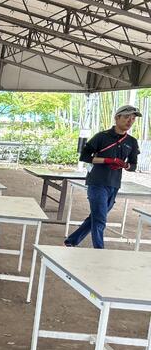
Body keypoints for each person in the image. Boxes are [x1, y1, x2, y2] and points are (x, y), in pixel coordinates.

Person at [65, 105, 141, 249]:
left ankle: (71, 241)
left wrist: (124, 165)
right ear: (117, 118)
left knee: (95, 216)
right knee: (100, 219)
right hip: (97, 182)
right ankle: (99, 250)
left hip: (114, 184)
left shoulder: (131, 142)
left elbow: (133, 165)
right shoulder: (101, 136)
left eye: (133, 119)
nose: (130, 121)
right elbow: (84, 156)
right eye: (126, 117)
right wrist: (107, 160)